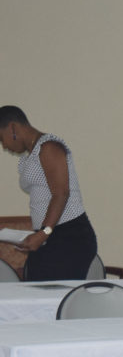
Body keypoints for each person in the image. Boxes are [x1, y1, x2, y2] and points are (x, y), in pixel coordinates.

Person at [0, 105, 97, 281]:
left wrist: (44, 232)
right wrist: (40, 235)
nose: (4, 146)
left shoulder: (49, 147)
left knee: (50, 292)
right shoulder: (31, 154)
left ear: (13, 127)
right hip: (50, 235)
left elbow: (61, 193)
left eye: (1, 138)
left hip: (70, 236)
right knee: (36, 286)